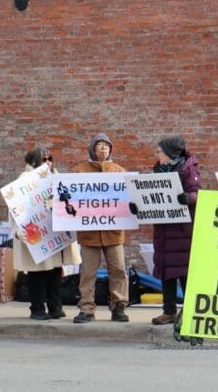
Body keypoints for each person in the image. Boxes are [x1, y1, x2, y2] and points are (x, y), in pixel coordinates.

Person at [10, 147, 80, 320]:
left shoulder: (57, 178)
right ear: (35, 161)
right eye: (44, 159)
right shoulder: (24, 180)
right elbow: (16, 207)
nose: (48, 162)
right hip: (37, 232)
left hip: (54, 233)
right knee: (37, 274)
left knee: (55, 273)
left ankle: (55, 306)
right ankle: (37, 308)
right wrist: (20, 231)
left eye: (50, 158)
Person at [67, 133, 130, 324]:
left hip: (114, 232)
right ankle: (86, 309)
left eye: (107, 145)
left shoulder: (120, 172)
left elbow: (127, 198)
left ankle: (119, 306)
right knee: (87, 273)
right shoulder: (79, 172)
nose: (103, 148)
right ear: (92, 149)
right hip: (89, 234)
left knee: (118, 270)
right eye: (100, 145)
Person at [148, 136, 201, 325]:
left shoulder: (188, 169)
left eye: (159, 152)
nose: (157, 155)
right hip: (163, 228)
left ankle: (188, 312)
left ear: (169, 154)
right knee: (165, 271)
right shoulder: (158, 170)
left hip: (182, 230)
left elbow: (199, 193)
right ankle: (168, 310)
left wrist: (189, 198)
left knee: (184, 272)